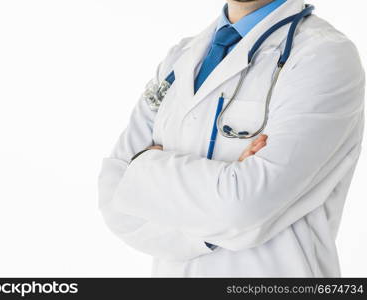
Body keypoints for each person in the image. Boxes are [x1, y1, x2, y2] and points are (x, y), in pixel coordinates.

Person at [98, 0, 365, 277]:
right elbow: (114, 199)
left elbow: (244, 205)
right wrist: (218, 216)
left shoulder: (323, 56)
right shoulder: (180, 58)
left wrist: (144, 168)